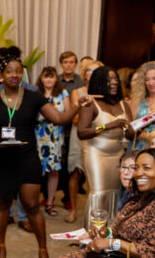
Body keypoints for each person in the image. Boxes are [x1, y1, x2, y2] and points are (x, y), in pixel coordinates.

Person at [0, 52, 78, 258]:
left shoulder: (34, 98)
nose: (14, 75)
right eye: (10, 71)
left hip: (27, 158)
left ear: (22, 74)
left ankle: (43, 250)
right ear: (2, 75)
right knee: (2, 203)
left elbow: (59, 118)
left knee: (32, 205)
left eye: (18, 71)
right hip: (1, 159)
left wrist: (78, 106)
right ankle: (1, 248)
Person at [65, 149, 155, 258]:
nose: (138, 173)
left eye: (146, 168)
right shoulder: (140, 198)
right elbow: (120, 228)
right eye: (137, 168)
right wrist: (106, 232)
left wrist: (112, 243)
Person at [74, 66, 134, 224]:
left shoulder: (124, 105)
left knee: (115, 193)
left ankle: (110, 233)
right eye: (109, 80)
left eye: (115, 79)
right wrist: (107, 126)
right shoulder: (91, 104)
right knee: (99, 193)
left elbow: (130, 134)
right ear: (99, 83)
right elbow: (82, 132)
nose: (113, 83)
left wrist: (137, 127)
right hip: (96, 153)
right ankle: (93, 234)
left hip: (118, 153)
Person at [64, 59, 102, 223]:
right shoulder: (77, 92)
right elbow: (74, 118)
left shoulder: (104, 95)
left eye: (96, 71)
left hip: (99, 137)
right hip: (78, 135)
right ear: (84, 74)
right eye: (90, 71)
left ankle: (96, 211)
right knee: (75, 173)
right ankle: (73, 209)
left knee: (97, 176)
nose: (92, 74)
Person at [33, 66, 71, 217]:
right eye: (46, 76)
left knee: (53, 171)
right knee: (36, 171)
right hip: (37, 135)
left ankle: (49, 203)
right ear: (41, 79)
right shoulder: (35, 93)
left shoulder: (63, 93)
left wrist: (57, 117)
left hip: (55, 136)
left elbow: (68, 114)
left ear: (56, 78)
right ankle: (33, 202)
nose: (48, 79)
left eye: (52, 76)